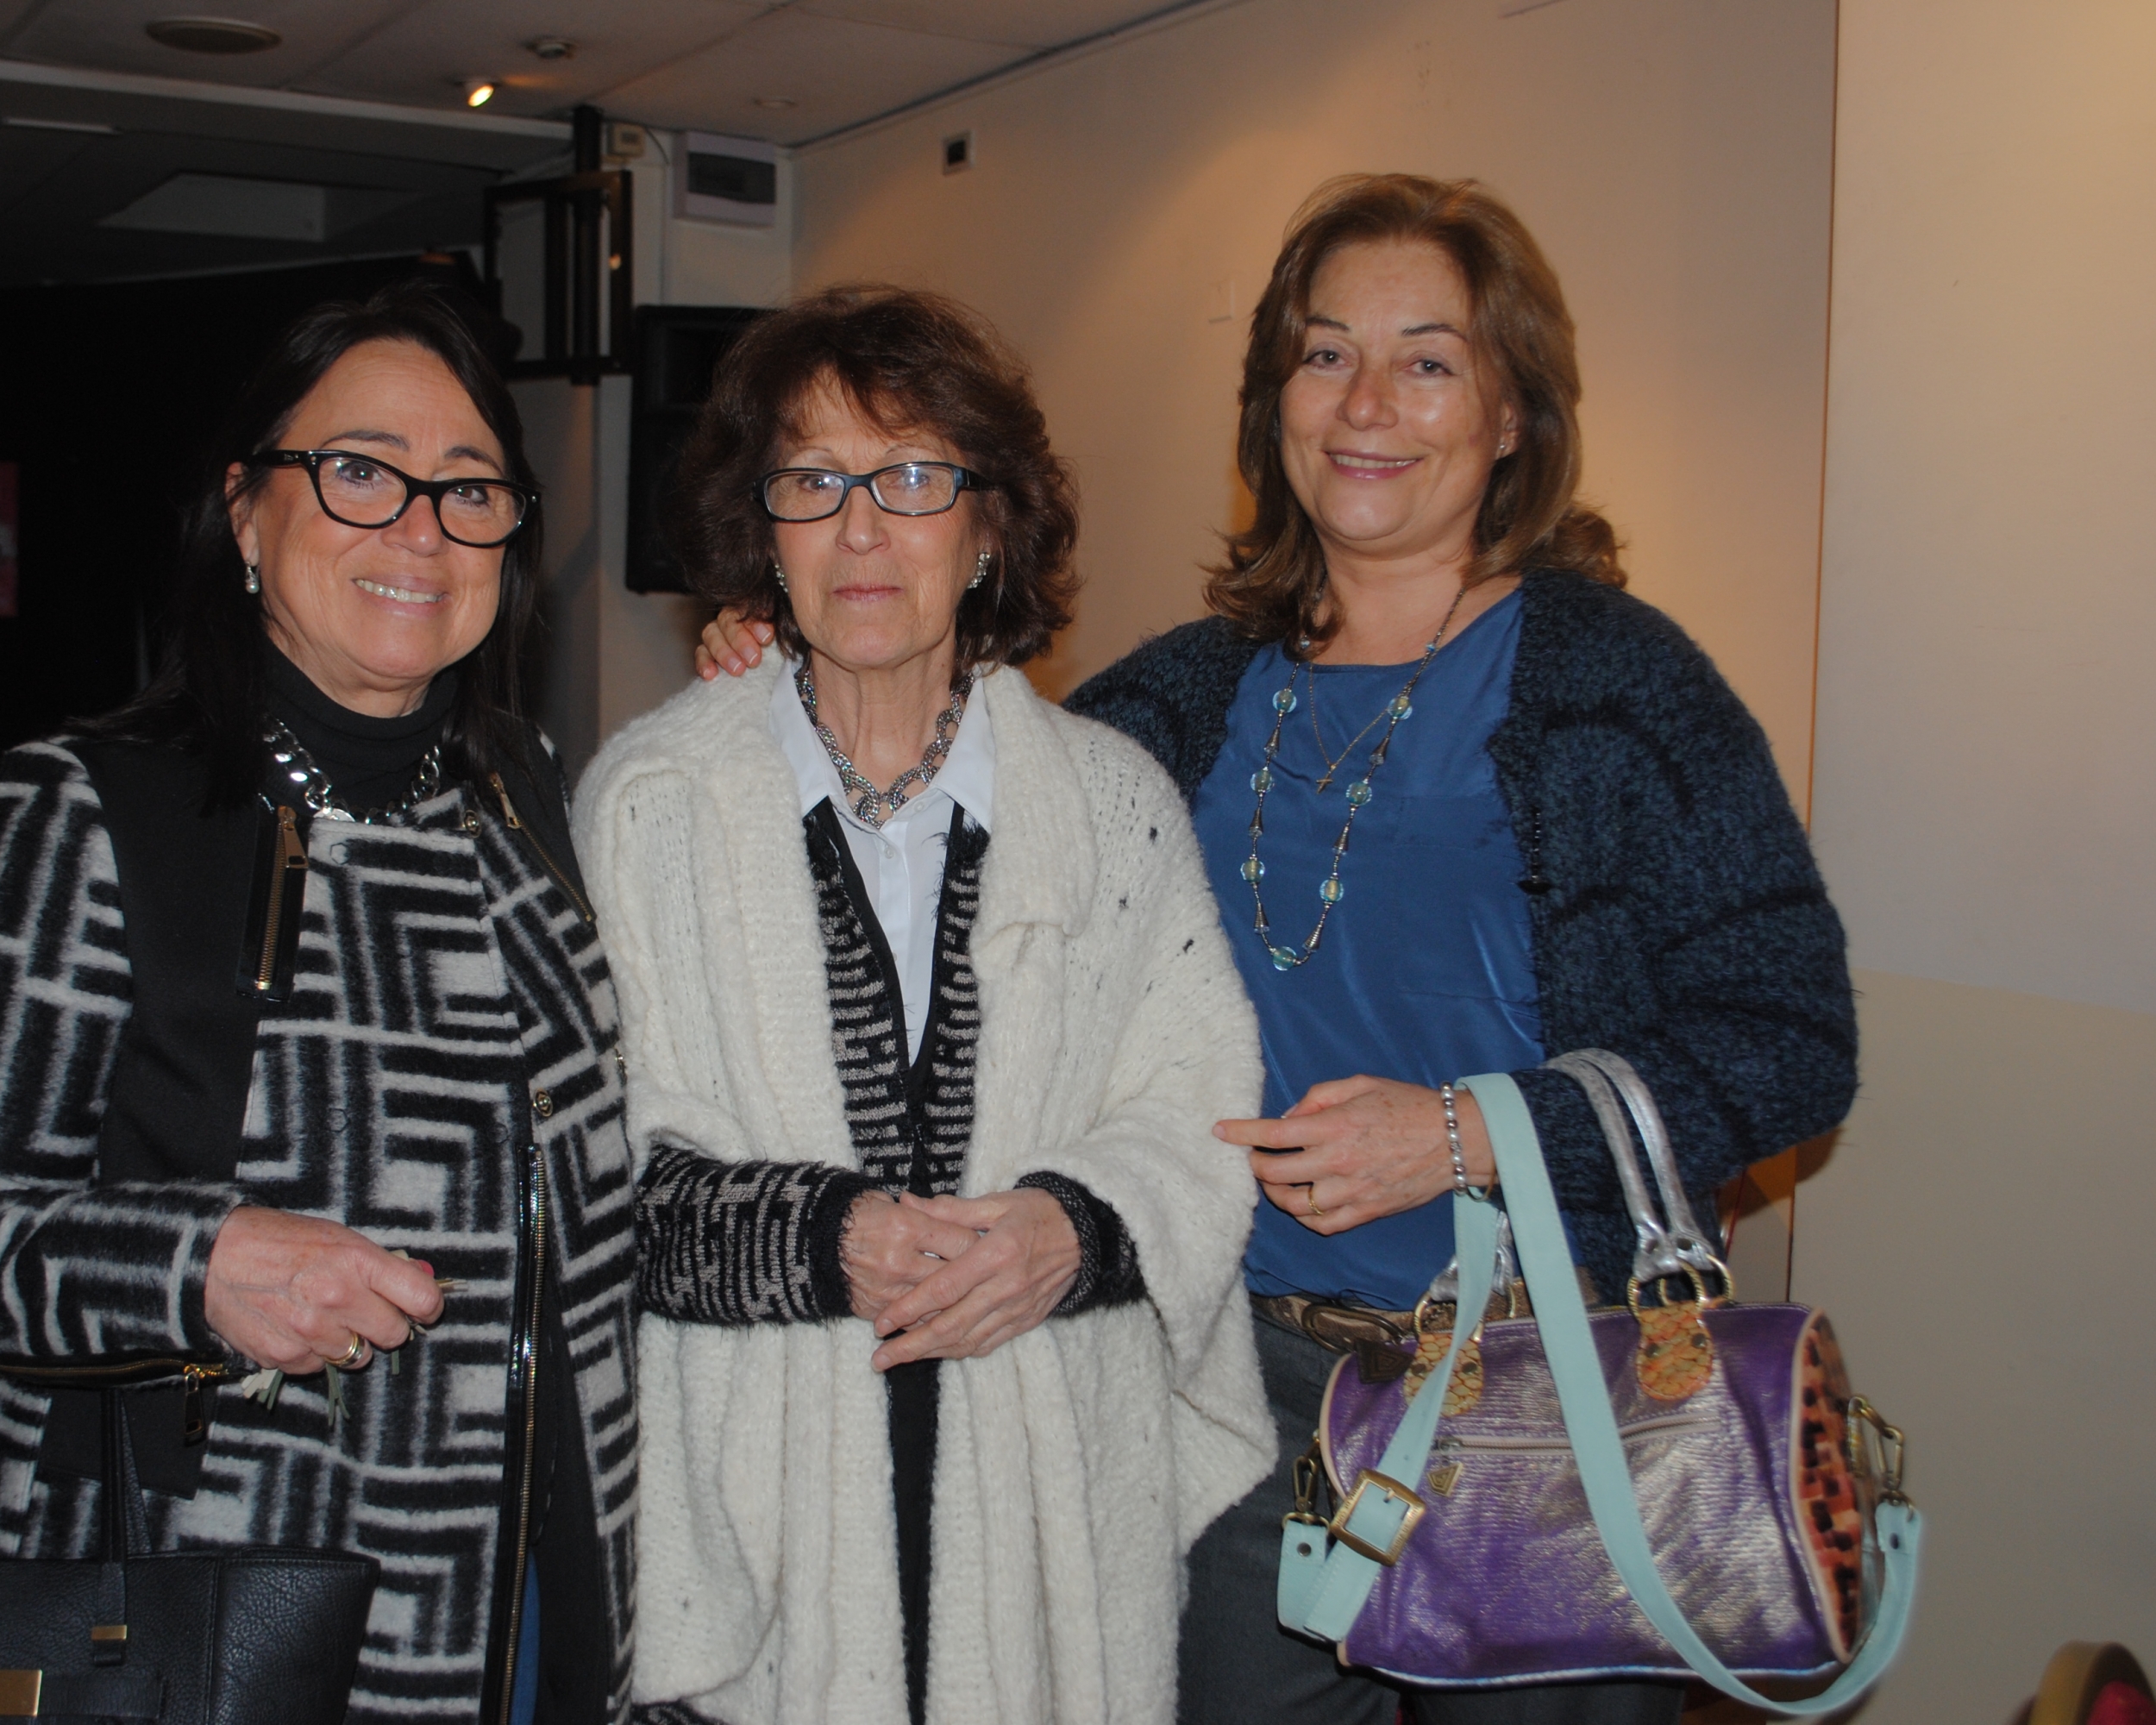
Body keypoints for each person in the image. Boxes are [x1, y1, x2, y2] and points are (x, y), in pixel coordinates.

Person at [701, 176, 1858, 1723]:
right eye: (1325, 356)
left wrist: (1466, 1133)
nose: (1369, 403)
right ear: (1274, 404)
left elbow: (1790, 1036)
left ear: (1513, 415)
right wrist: (798, 683)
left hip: (1534, 1406)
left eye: (1429, 360)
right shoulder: (1178, 694)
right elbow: (944, 825)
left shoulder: (1622, 687)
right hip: (1226, 1401)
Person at [0, 279, 635, 1725]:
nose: (419, 526)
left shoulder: (522, 794)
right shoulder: (89, 808)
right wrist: (197, 1268)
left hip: (519, 1565)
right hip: (202, 1590)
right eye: (357, 472)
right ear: (244, 508)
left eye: (469, 489)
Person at [578, 285, 1272, 1725]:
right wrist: (821, 1236)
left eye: (911, 477)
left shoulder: (1111, 804)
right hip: (756, 1498)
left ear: (990, 526)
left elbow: (1200, 1114)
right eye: (814, 482)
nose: (862, 528)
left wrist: (1067, 1230)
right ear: (763, 532)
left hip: (1045, 1493)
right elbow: (590, 1166)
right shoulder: (653, 805)